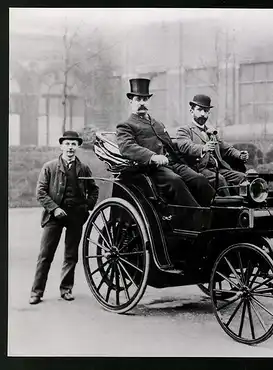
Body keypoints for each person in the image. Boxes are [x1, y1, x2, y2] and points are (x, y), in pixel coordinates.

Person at [116, 78, 215, 208]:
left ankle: (213, 214)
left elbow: (170, 144)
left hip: (173, 164)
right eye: (138, 99)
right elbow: (127, 147)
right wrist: (152, 157)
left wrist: (195, 147)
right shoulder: (125, 125)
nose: (142, 103)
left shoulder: (157, 124)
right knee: (176, 182)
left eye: (145, 99)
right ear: (131, 102)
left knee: (199, 180)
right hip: (151, 169)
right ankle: (195, 218)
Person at [29, 131, 99, 305]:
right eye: (67, 144)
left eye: (73, 144)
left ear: (77, 147)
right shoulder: (50, 167)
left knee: (71, 255)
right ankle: (36, 292)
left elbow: (94, 189)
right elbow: (41, 192)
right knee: (45, 255)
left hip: (76, 216)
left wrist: (86, 207)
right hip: (54, 216)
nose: (70, 147)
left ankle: (66, 289)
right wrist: (54, 209)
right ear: (61, 146)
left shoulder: (83, 168)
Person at [176, 94, 248, 196]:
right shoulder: (184, 130)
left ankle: (244, 204)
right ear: (191, 111)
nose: (203, 114)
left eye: (206, 111)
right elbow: (185, 146)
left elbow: (226, 148)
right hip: (198, 170)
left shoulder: (211, 131)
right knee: (220, 180)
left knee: (242, 177)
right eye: (199, 110)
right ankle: (229, 206)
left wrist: (239, 154)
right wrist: (203, 148)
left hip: (217, 168)